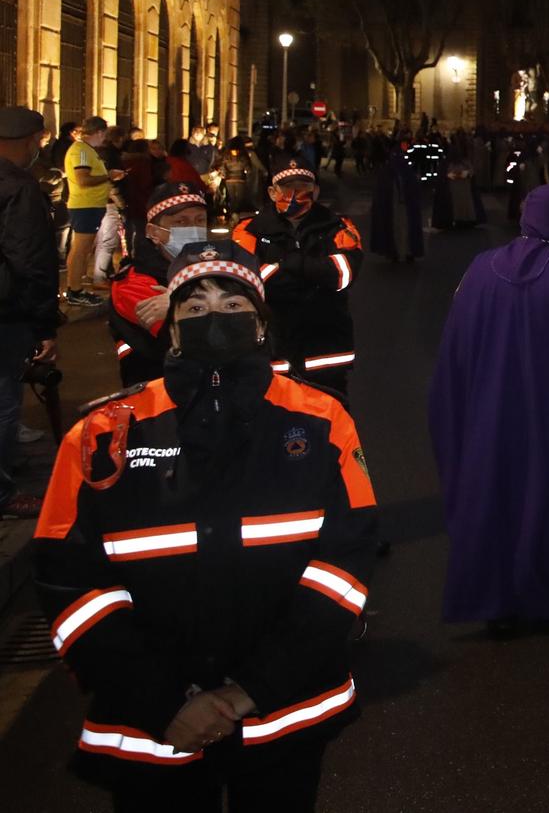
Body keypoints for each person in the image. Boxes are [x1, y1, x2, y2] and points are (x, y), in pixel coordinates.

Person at [33, 243, 378, 803]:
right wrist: (165, 701)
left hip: (283, 715)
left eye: (232, 303)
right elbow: (67, 582)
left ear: (262, 326)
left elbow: (345, 563)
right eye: (193, 309)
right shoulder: (102, 433)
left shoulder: (321, 419)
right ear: (169, 332)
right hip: (153, 729)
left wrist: (253, 689)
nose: (213, 317)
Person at [429, 184, 549, 633]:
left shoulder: (480, 269)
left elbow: (456, 345)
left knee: (493, 495)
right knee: (545, 496)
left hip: (488, 415)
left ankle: (491, 593)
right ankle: (541, 589)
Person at [233, 160, 366, 398]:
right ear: (272, 192)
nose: (295, 194)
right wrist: (315, 276)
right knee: (270, 425)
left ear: (315, 190)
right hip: (272, 351)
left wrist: (286, 265)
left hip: (326, 353)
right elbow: (247, 281)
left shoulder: (338, 226)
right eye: (287, 187)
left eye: (303, 186)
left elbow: (343, 275)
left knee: (330, 425)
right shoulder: (248, 230)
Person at [0, 108, 60, 519]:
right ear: (29, 140)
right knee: (4, 399)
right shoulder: (20, 187)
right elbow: (30, 260)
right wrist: (45, 324)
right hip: (7, 312)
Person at [107, 182, 211, 388]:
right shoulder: (133, 281)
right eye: (180, 222)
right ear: (153, 232)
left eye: (200, 220)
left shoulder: (212, 265)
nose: (193, 229)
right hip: (160, 397)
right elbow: (191, 340)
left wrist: (180, 304)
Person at [64, 116, 122, 306]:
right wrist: (108, 176)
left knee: (82, 248)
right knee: (81, 249)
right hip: (85, 205)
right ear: (99, 132)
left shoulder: (86, 151)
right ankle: (75, 290)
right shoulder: (81, 150)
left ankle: (76, 288)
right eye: (103, 135)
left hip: (90, 205)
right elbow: (83, 179)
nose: (104, 139)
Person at [368, 138, 426, 262]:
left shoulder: (401, 172)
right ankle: (398, 251)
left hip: (403, 207)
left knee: (404, 229)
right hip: (395, 208)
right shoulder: (390, 173)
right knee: (398, 228)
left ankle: (405, 251)